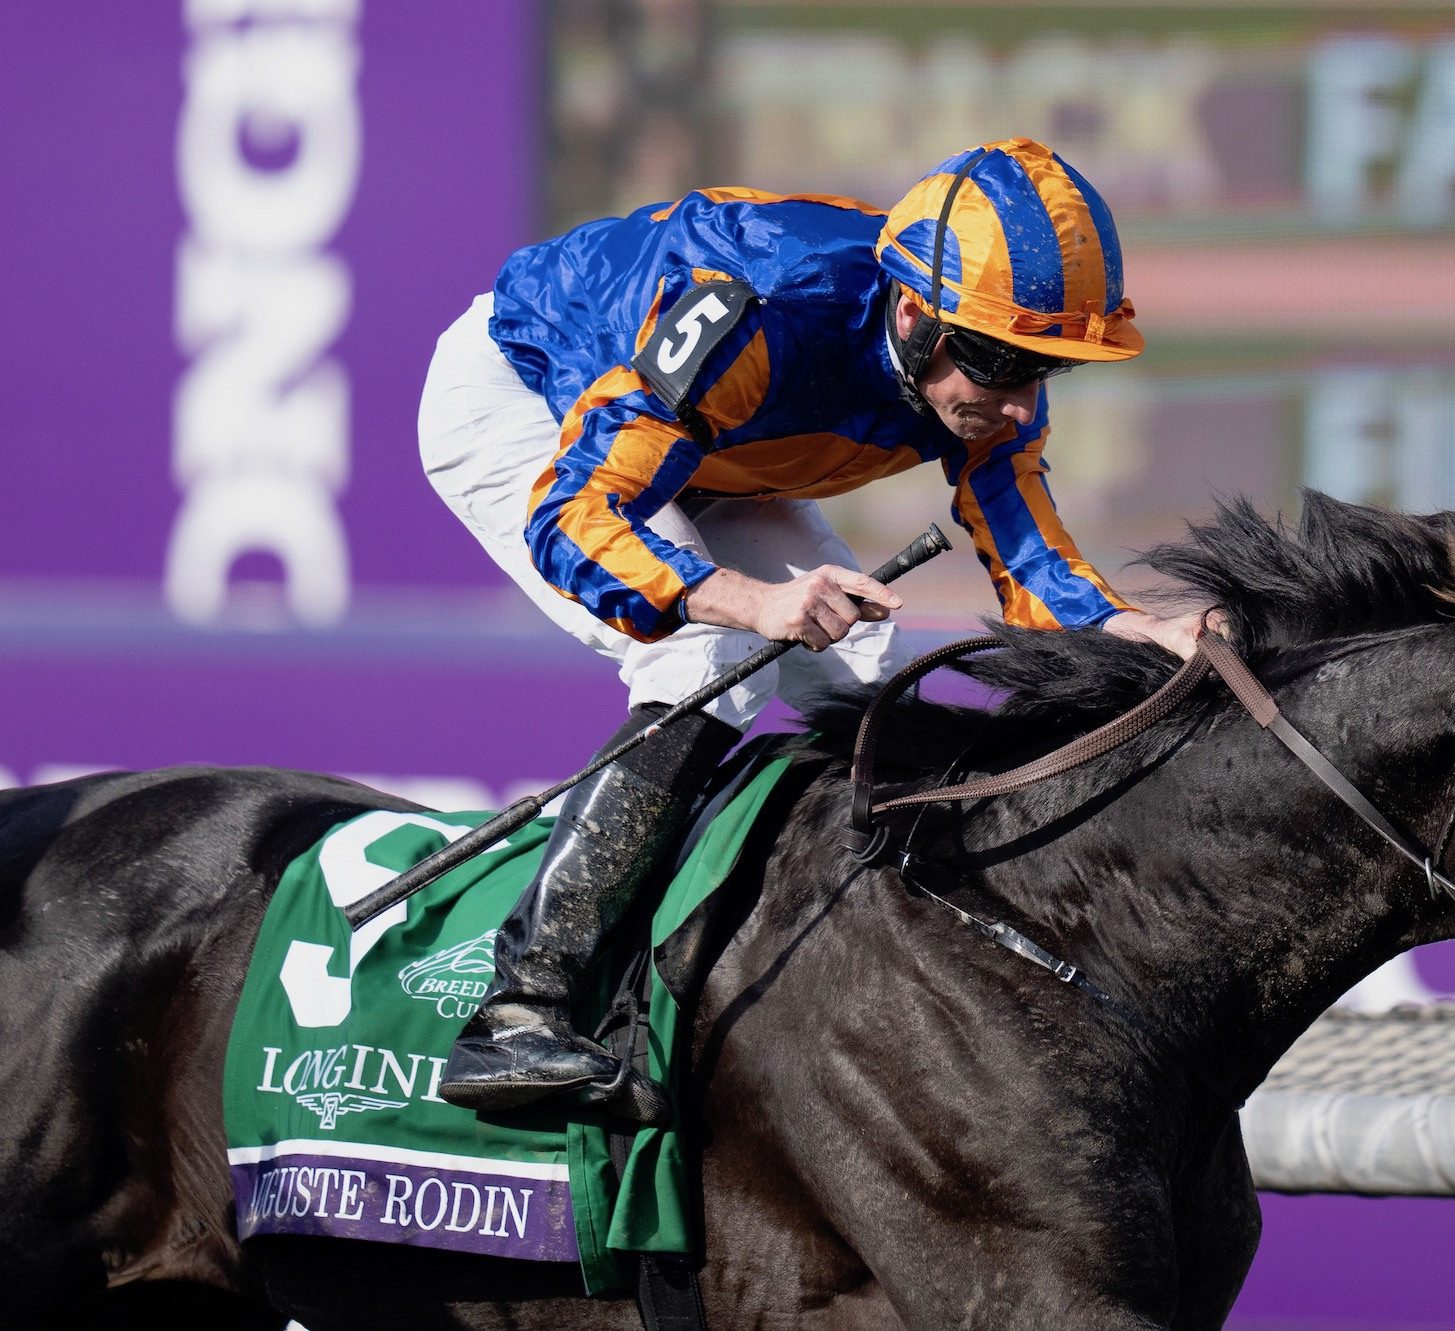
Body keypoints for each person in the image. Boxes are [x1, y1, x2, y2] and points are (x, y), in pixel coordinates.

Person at [417, 136, 1204, 1121]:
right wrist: (750, 600)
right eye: (1001, 363)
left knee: (867, 675)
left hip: (709, 449)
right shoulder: (748, 309)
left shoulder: (980, 374)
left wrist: (1134, 630)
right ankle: (523, 1009)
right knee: (718, 649)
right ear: (915, 314)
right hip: (528, 400)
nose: (1015, 400)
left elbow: (1031, 564)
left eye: (1044, 368)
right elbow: (577, 520)